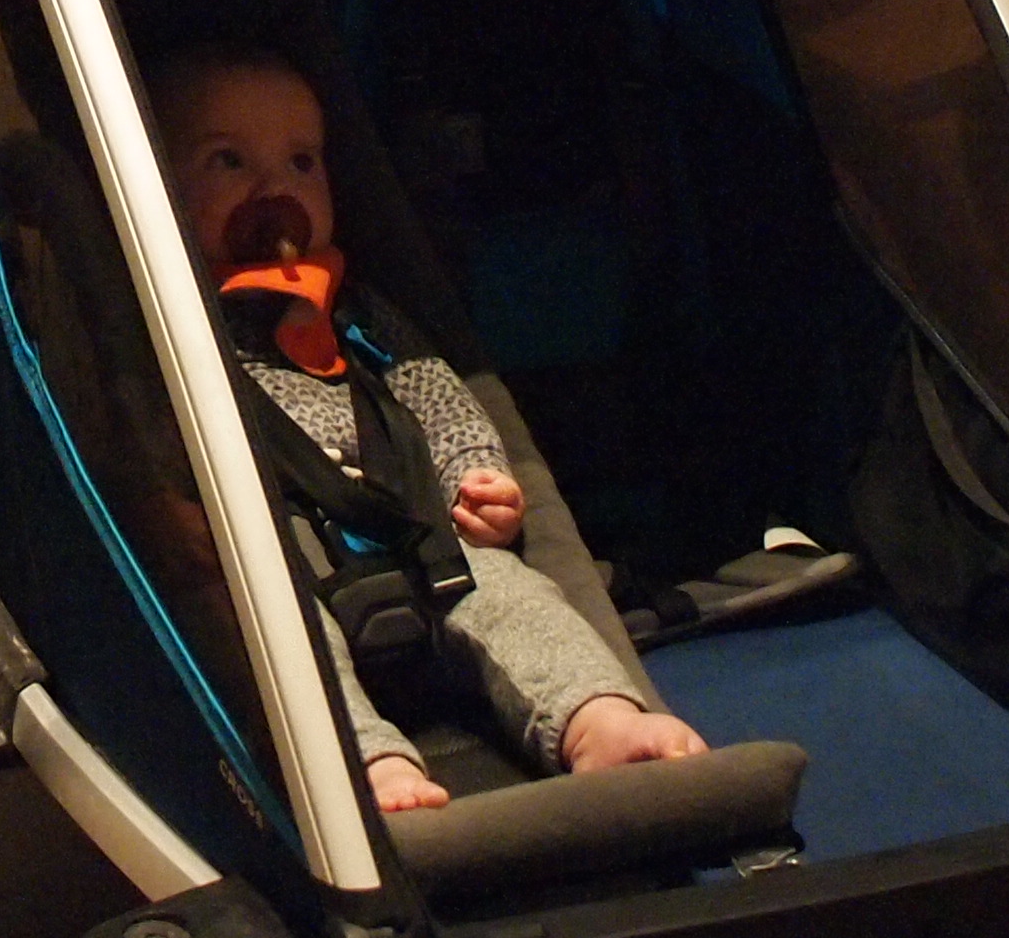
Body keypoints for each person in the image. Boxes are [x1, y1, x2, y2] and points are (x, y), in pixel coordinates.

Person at [156, 45, 711, 817]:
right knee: (272, 632)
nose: (274, 188)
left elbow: (437, 396)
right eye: (228, 160)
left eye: (302, 161)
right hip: (285, 560)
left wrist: (475, 476)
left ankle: (596, 719)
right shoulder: (173, 327)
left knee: (516, 596)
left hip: (424, 545)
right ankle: (365, 762)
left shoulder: (362, 315)